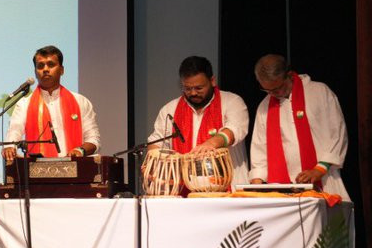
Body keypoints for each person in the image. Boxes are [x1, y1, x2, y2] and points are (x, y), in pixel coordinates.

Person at [248, 54, 349, 199]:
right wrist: (257, 183)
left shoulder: (319, 92)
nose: (275, 94)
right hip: (281, 189)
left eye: (278, 88)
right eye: (268, 91)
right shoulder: (264, 106)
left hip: (324, 179)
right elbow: (259, 148)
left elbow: (337, 133)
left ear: (289, 75)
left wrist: (320, 169)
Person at [147, 56, 250, 183]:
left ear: (212, 81)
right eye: (188, 88)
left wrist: (211, 143)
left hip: (229, 187)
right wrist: (154, 165)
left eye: (199, 88)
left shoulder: (232, 102)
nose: (193, 93)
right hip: (184, 188)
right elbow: (157, 141)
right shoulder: (170, 109)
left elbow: (234, 129)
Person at [3, 45, 100, 162]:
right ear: (35, 72)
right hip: (37, 169)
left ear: (62, 70)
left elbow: (93, 139)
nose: (45, 69)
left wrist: (80, 151)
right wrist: (10, 146)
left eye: (51, 64)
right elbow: (15, 130)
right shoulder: (24, 104)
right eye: (40, 66)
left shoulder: (80, 101)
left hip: (75, 167)